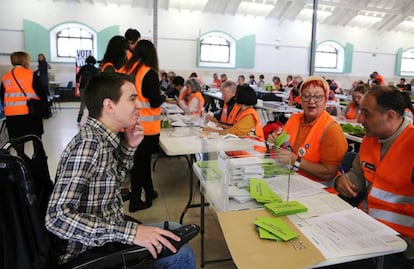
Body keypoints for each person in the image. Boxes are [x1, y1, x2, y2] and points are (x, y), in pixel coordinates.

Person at [45, 72, 195, 268]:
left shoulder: (103, 139)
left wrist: (130, 146)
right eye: (132, 99)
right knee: (181, 253)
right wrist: (130, 233)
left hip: (108, 235)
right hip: (89, 251)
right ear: (109, 105)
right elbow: (56, 218)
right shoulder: (89, 145)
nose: (139, 105)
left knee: (175, 230)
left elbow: (111, 182)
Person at [333, 86, 414, 268]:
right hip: (365, 230)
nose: (360, 119)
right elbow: (357, 176)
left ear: (390, 116)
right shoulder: (370, 140)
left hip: (400, 247)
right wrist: (341, 181)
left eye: (366, 114)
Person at [268, 76, 347, 185]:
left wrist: (296, 161)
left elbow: (329, 173)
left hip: (318, 187)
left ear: (326, 99)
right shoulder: (293, 119)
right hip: (290, 178)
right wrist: (275, 142)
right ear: (300, 99)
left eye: (317, 97)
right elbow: (285, 148)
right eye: (306, 96)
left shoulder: (332, 130)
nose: (311, 101)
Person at [124, 39, 165, 212]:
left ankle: (149, 192)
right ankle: (135, 200)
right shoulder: (149, 73)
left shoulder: (130, 71)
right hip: (147, 128)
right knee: (141, 165)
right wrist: (162, 97)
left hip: (132, 124)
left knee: (141, 162)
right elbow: (154, 102)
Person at [1, 51, 46, 141]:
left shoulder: (6, 77)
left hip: (11, 115)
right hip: (30, 113)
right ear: (24, 61)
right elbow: (42, 94)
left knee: (17, 141)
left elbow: (2, 96)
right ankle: (38, 154)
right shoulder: (31, 74)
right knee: (36, 138)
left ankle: (20, 155)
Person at [75, 55, 99, 123]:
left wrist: (78, 82)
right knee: (91, 103)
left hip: (82, 87)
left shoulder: (83, 68)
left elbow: (78, 75)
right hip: (91, 88)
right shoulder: (95, 69)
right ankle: (90, 118)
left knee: (83, 102)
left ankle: (80, 115)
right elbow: (97, 79)